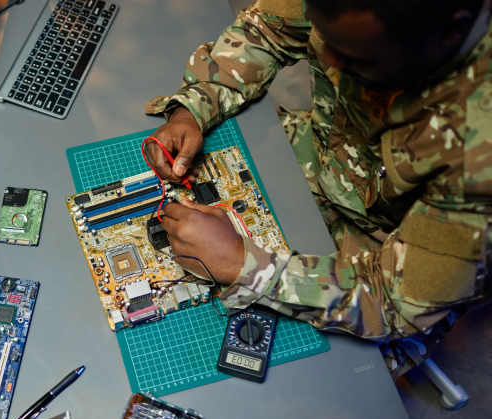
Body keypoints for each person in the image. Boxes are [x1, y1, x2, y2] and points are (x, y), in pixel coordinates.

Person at [144, 0, 492, 378]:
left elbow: (396, 301)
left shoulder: (480, 155)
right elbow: (268, 30)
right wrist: (193, 109)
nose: (327, 58)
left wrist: (241, 265)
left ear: (450, 33)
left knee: (323, 382)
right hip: (317, 153)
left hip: (390, 247)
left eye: (357, 56)